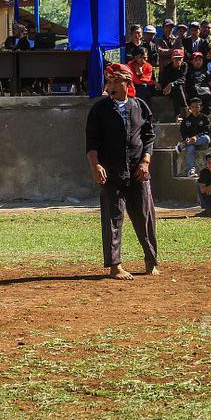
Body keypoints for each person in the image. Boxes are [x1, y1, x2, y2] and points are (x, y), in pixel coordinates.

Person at [85, 62, 158, 281]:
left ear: (127, 83)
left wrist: (146, 161)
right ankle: (115, 265)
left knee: (145, 216)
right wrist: (95, 166)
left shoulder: (140, 106)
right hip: (111, 172)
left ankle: (151, 260)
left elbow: (149, 137)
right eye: (109, 81)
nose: (111, 86)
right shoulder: (99, 109)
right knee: (112, 218)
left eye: (116, 81)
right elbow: (91, 142)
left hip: (138, 171)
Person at [176, 97, 211, 177]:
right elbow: (183, 132)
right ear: (190, 108)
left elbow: (206, 131)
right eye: (193, 107)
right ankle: (191, 171)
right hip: (191, 143)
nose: (195, 109)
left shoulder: (205, 118)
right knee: (190, 148)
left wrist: (196, 137)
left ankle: (184, 144)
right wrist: (186, 138)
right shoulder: (187, 119)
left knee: (207, 138)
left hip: (201, 142)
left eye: (197, 107)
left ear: (200, 107)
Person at [159, 48, 189, 118]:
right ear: (172, 59)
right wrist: (170, 85)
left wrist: (172, 84)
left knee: (178, 89)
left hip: (178, 88)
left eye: (180, 59)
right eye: (176, 59)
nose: (178, 61)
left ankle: (177, 115)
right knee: (178, 89)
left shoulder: (184, 65)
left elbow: (183, 78)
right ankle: (186, 109)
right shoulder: (167, 68)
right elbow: (165, 82)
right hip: (167, 90)